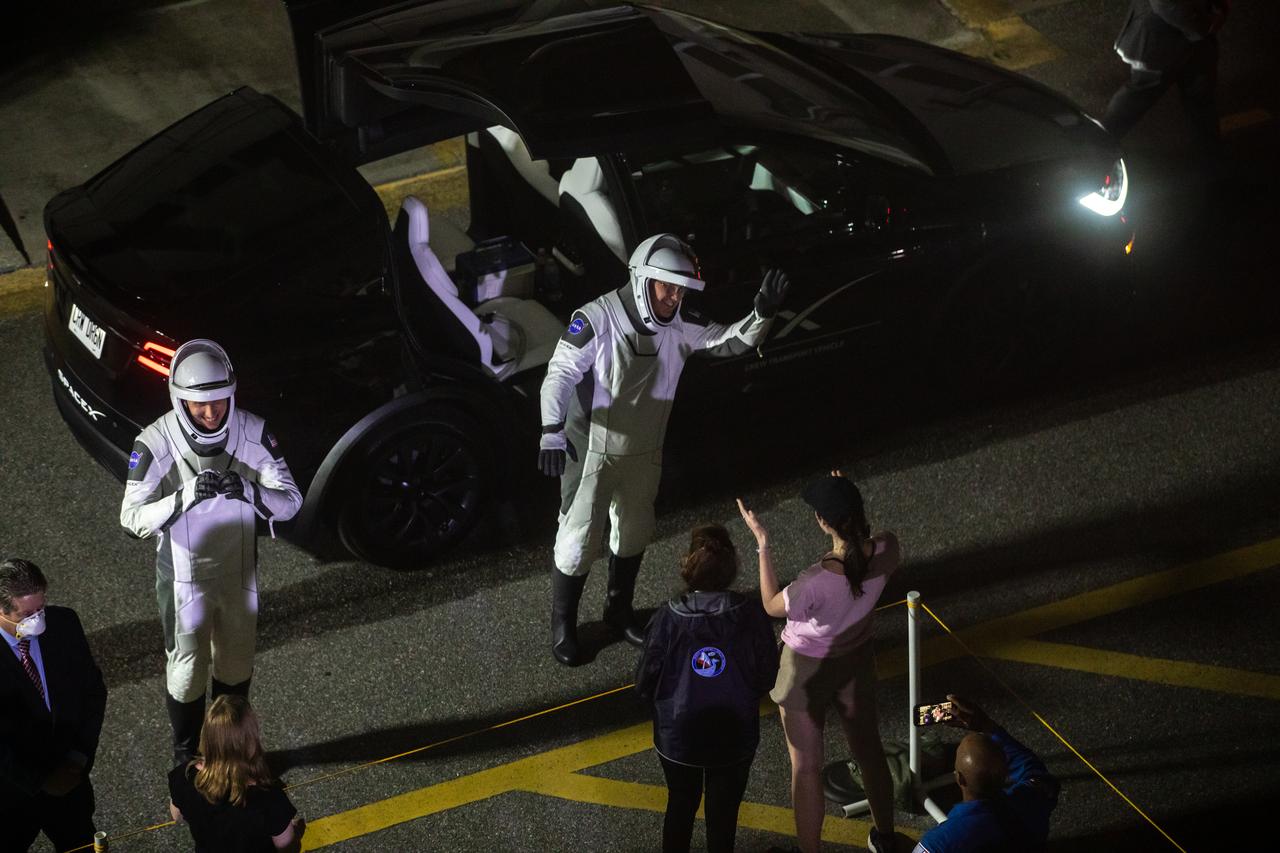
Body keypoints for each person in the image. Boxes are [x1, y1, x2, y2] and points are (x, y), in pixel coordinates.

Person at [538, 233, 789, 665]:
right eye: (666, 286)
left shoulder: (679, 324)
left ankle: (618, 611)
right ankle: (563, 626)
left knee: (634, 533)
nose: (674, 297)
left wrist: (761, 314)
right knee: (577, 543)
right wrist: (551, 432)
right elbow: (559, 373)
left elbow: (729, 341)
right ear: (641, 280)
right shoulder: (595, 318)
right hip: (593, 453)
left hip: (644, 451)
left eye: (681, 289)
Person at [120, 339, 303, 765]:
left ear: (231, 394)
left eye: (218, 402)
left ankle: (231, 751)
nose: (210, 413)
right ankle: (186, 757)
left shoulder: (253, 430)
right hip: (184, 578)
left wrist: (252, 492)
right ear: (178, 399)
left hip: (238, 572)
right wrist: (182, 498)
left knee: (236, 667)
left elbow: (291, 501)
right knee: (185, 673)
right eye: (198, 405)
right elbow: (130, 519)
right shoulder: (154, 442)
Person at [738, 472, 899, 853]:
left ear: (823, 522)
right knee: (869, 750)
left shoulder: (812, 584)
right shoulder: (889, 548)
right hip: (856, 660)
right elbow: (867, 554)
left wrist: (762, 544)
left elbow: (770, 604)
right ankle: (886, 835)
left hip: (806, 672)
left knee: (806, 767)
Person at [635, 524, 780, 852]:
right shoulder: (749, 615)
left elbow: (645, 681)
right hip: (734, 733)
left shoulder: (667, 619)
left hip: (679, 735)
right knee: (724, 814)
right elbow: (767, 675)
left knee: (681, 804)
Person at [0, 557, 107, 852]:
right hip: (11, 798)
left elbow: (93, 693)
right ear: (2, 611)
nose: (38, 619)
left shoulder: (65, 624)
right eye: (26, 614)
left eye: (40, 608)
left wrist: (79, 757)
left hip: (70, 786)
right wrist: (39, 782)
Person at [912, 695, 1060, 853]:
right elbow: (1036, 772)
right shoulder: (1034, 798)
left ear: (959, 779)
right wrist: (987, 726)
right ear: (1005, 772)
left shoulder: (939, 843)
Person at [169, 694, 305, 853]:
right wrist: (296, 832)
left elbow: (177, 816)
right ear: (250, 742)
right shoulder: (269, 800)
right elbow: (288, 848)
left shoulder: (184, 776)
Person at [1102, 0, 1230, 157]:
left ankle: (1210, 153)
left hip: (1193, 39)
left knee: (1201, 97)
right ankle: (1096, 146)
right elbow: (1165, 4)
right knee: (1137, 97)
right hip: (1161, 40)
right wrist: (1205, 26)